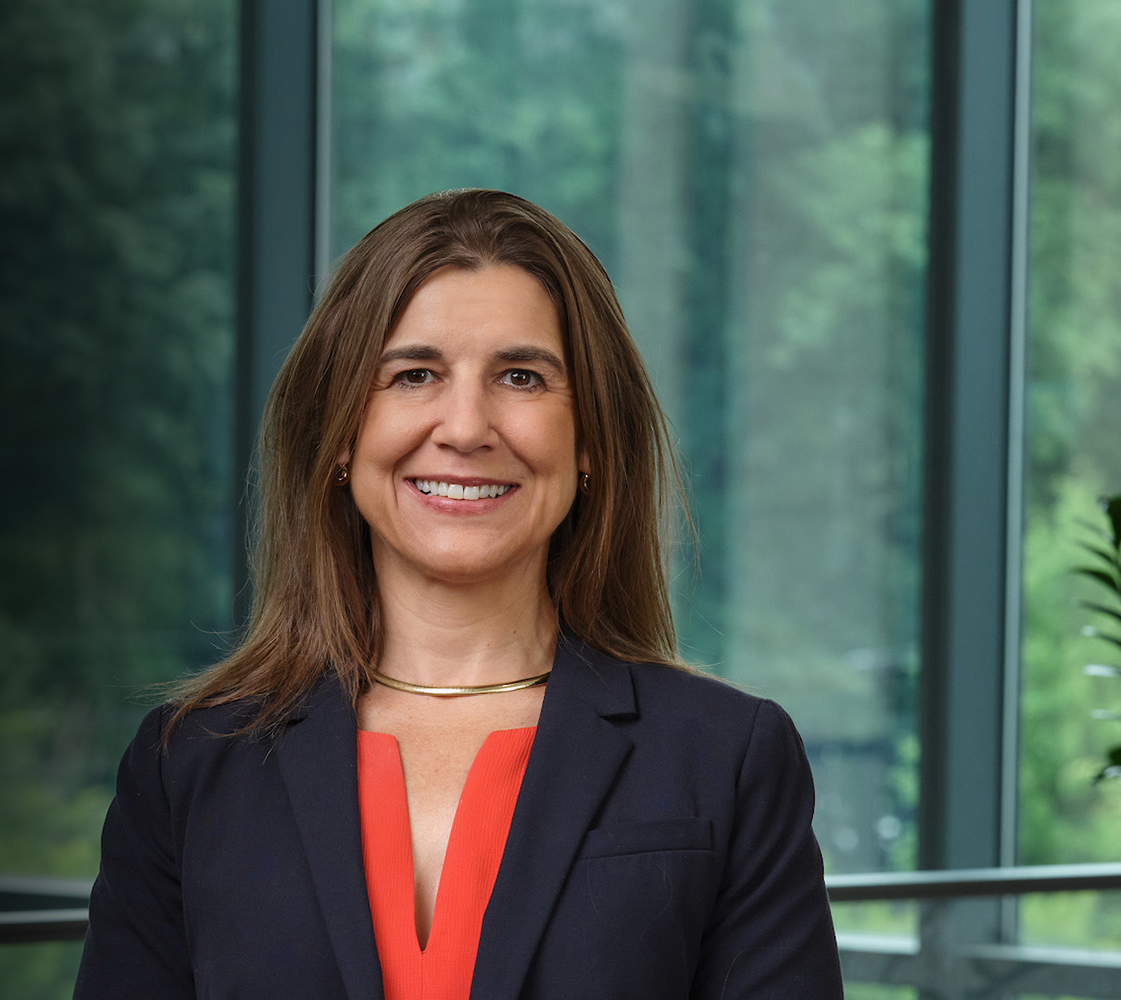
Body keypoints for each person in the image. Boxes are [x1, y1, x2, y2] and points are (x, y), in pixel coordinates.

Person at [73, 189, 842, 999]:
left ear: (590, 445)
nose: (466, 426)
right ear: (340, 435)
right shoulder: (189, 766)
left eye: (521, 375)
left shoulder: (729, 756)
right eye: (413, 375)